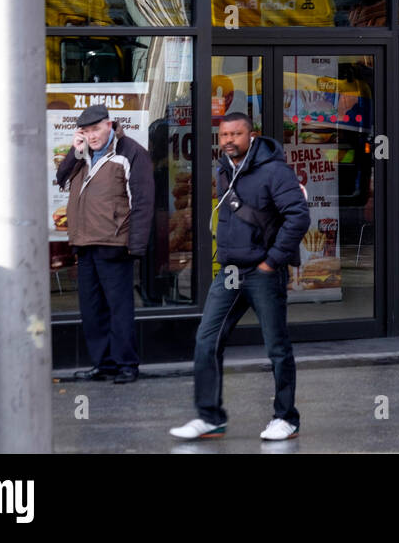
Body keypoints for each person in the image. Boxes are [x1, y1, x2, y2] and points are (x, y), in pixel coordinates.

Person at [171, 113, 310, 440]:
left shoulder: (274, 171)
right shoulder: (224, 169)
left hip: (263, 272)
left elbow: (298, 217)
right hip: (230, 272)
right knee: (207, 340)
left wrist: (271, 262)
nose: (229, 140)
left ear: (252, 135)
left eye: (236, 134)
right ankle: (209, 417)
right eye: (224, 135)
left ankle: (286, 418)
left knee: (276, 347)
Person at [56, 103, 154, 385]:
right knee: (92, 308)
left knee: (118, 308)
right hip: (84, 242)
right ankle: (104, 364)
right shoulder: (82, 155)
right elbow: (61, 178)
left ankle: (126, 365)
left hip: (114, 243)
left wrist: (135, 246)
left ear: (110, 125)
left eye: (96, 129)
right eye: (85, 131)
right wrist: (75, 152)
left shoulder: (131, 153)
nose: (92, 136)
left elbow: (143, 202)